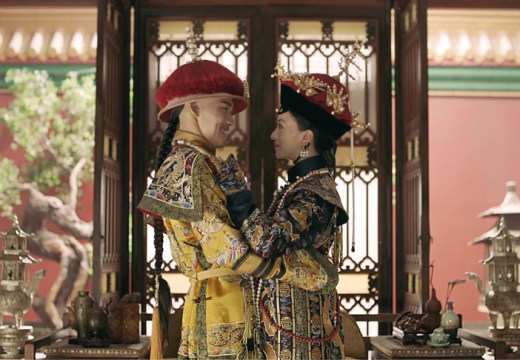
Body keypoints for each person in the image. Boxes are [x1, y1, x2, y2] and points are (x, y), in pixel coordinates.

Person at [137, 57, 339, 360]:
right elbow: (228, 250)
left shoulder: (199, 162)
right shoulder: (191, 165)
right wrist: (306, 271)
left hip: (226, 300)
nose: (232, 121)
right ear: (194, 108)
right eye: (224, 108)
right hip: (222, 305)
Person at [218, 63, 352, 359]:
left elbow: (268, 241)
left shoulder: (315, 194)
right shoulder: (302, 186)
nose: (272, 136)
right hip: (286, 329)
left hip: (302, 336)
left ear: (306, 137)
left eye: (281, 126)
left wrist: (236, 188)